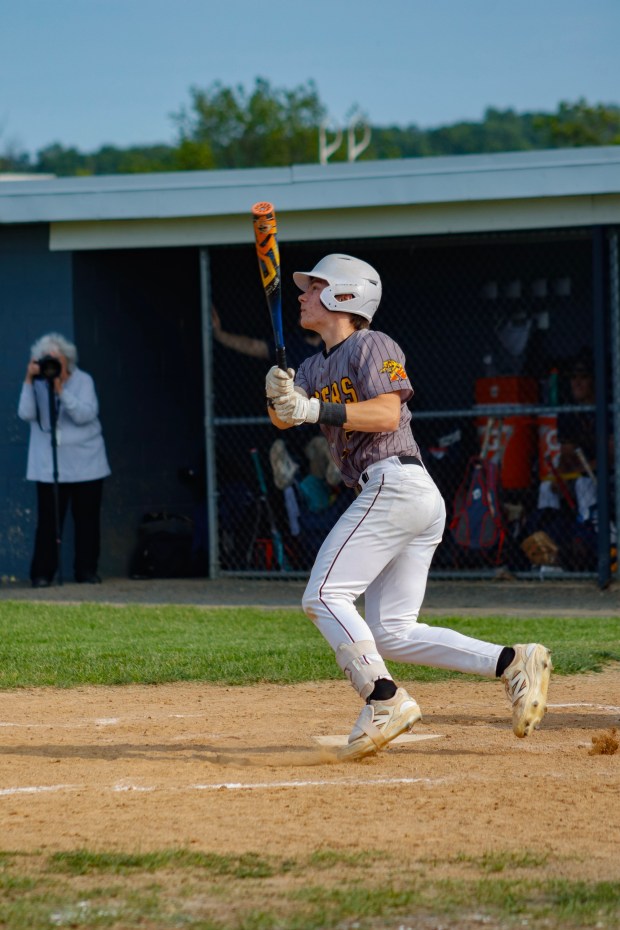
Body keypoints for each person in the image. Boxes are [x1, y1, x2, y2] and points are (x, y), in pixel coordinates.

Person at [265, 253, 552, 760]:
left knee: (324, 595)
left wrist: (312, 408)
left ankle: (383, 698)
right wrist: (281, 397)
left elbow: (385, 412)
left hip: (395, 484)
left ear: (344, 297)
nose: (304, 295)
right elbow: (288, 418)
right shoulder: (312, 364)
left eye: (315, 287)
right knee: (391, 631)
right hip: (399, 496)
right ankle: (512, 662)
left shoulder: (373, 344)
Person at [17, 332, 111, 587]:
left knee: (87, 520)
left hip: (86, 464)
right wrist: (29, 380)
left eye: (57, 360)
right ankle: (42, 573)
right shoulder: (36, 383)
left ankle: (86, 571)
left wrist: (60, 391)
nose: (53, 366)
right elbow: (25, 413)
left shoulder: (83, 381)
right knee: (49, 521)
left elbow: (85, 414)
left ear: (68, 360)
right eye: (47, 360)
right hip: (49, 467)